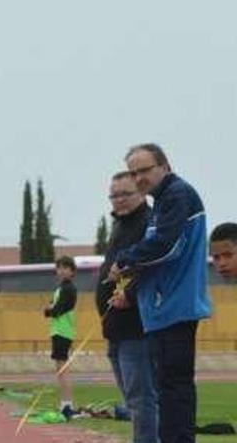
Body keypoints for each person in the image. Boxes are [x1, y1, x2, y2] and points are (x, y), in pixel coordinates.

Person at [109, 143, 212, 443]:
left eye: (145, 170)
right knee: (168, 392)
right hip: (160, 309)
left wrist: (126, 259)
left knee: (173, 392)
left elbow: (168, 245)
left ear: (164, 167)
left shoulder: (176, 194)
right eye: (133, 172)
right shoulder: (165, 200)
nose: (139, 177)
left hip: (173, 307)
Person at [95, 172, 157, 443]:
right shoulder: (121, 226)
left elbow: (153, 268)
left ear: (142, 193)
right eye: (114, 195)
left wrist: (129, 295)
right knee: (133, 400)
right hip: (115, 329)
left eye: (125, 194)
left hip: (136, 328)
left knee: (142, 398)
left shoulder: (148, 223)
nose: (118, 200)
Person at [45, 256, 78, 419]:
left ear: (72, 271)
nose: (62, 270)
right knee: (60, 369)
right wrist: (50, 308)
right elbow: (49, 308)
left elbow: (56, 309)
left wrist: (50, 309)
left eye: (66, 267)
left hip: (64, 332)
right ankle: (65, 403)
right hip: (57, 331)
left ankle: (67, 405)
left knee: (63, 370)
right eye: (59, 267)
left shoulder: (69, 289)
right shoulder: (60, 288)